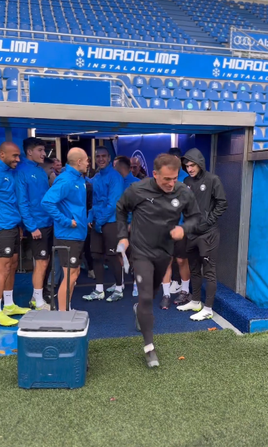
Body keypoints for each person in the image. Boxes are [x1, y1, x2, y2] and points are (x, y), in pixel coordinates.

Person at [116, 154, 201, 367]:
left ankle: (140, 310)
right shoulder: (137, 190)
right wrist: (123, 237)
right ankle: (149, 348)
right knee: (146, 297)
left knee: (151, 295)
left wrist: (184, 228)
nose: (171, 183)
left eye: (174, 178)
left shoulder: (182, 191)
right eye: (166, 179)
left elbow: (195, 217)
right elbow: (121, 209)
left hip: (165, 253)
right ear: (155, 174)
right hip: (141, 251)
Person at [177, 148, 228, 321]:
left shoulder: (213, 180)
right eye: (187, 165)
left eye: (192, 165)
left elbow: (222, 203)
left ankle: (208, 308)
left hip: (208, 234)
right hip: (192, 233)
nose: (189, 168)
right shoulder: (186, 180)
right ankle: (196, 301)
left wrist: (207, 222)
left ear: (200, 164)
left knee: (209, 271)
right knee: (194, 269)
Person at [42, 148, 89, 311]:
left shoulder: (79, 178)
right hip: (68, 235)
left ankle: (66, 308)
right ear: (79, 162)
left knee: (74, 275)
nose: (89, 163)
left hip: (77, 234)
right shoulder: (66, 180)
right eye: (87, 160)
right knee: (69, 276)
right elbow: (47, 202)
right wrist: (67, 221)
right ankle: (62, 313)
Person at [15, 137, 53, 311]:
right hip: (36, 225)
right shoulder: (21, 171)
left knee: (46, 261)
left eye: (44, 150)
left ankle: (38, 296)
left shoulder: (40, 171)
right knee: (41, 261)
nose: (44, 154)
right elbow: (22, 201)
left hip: (47, 223)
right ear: (29, 151)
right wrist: (31, 227)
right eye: (40, 150)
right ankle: (37, 302)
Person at [83, 146, 124, 302]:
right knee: (96, 256)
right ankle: (99, 290)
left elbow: (113, 203)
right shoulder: (98, 176)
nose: (100, 159)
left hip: (111, 222)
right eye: (98, 156)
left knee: (113, 256)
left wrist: (99, 221)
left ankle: (119, 289)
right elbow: (94, 202)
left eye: (103, 156)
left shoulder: (115, 177)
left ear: (109, 159)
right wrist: (90, 218)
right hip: (97, 222)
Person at [0, 142, 30, 326]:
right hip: (2, 227)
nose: (18, 159)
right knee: (2, 268)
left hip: (13, 226)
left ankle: (9, 305)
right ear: (2, 154)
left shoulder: (11, 173)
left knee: (11, 264)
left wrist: (19, 225)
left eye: (19, 156)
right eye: (14, 156)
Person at [161, 147, 191, 309]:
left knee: (181, 260)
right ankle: (166, 294)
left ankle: (185, 291)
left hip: (180, 228)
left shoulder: (187, 180)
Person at [114, 155, 140, 297]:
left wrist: (132, 223)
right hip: (118, 225)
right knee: (119, 253)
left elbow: (141, 207)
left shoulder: (136, 183)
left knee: (135, 256)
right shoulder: (115, 182)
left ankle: (136, 284)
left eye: (115, 166)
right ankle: (121, 282)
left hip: (133, 226)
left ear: (120, 167)